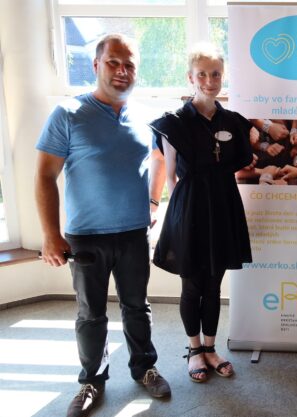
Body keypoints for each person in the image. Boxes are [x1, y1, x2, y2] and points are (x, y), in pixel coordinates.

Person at [35, 34, 171, 417]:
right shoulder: (68, 113)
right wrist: (50, 234)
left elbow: (160, 160)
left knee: (137, 307)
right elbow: (44, 176)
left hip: (133, 233)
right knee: (91, 314)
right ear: (96, 65)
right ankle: (92, 380)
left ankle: (144, 368)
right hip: (86, 237)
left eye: (129, 65)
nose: (121, 71)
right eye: (113, 62)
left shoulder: (145, 116)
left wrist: (152, 202)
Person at [149, 44, 253, 383]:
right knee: (192, 285)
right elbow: (171, 175)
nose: (210, 80)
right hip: (190, 207)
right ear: (191, 78)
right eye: (203, 74)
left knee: (214, 284)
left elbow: (239, 163)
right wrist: (180, 211)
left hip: (223, 206)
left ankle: (210, 348)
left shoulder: (233, 122)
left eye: (216, 74)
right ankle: (194, 350)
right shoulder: (173, 123)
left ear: (223, 77)